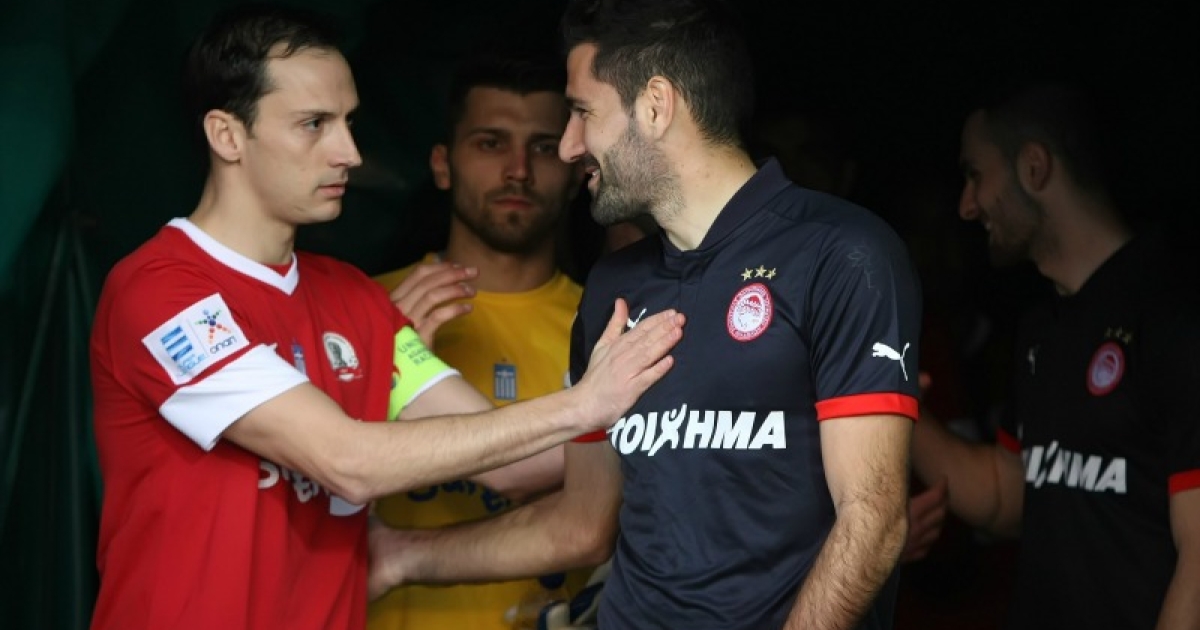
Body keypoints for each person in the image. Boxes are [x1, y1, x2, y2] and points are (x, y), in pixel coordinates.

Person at [86, 5, 685, 630]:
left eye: (348, 122)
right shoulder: (160, 292)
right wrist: (583, 404)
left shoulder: (356, 299)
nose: (348, 152)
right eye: (313, 124)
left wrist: (670, 405)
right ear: (226, 135)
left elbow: (510, 462)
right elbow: (349, 460)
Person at [368, 1, 922, 629]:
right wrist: (401, 555)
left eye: (582, 113)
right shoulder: (614, 286)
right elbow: (581, 522)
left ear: (656, 105)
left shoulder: (840, 253)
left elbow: (873, 519)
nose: (569, 147)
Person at [911, 84, 1200, 629]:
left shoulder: (1175, 315)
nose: (967, 206)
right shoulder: (1041, 328)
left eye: (975, 175)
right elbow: (1007, 499)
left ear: (1034, 168)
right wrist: (893, 405)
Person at [367, 47, 593, 630]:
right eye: (490, 143)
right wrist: (375, 375)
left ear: (577, 169)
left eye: (544, 147)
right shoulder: (362, 310)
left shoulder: (611, 329)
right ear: (442, 165)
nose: (518, 170)